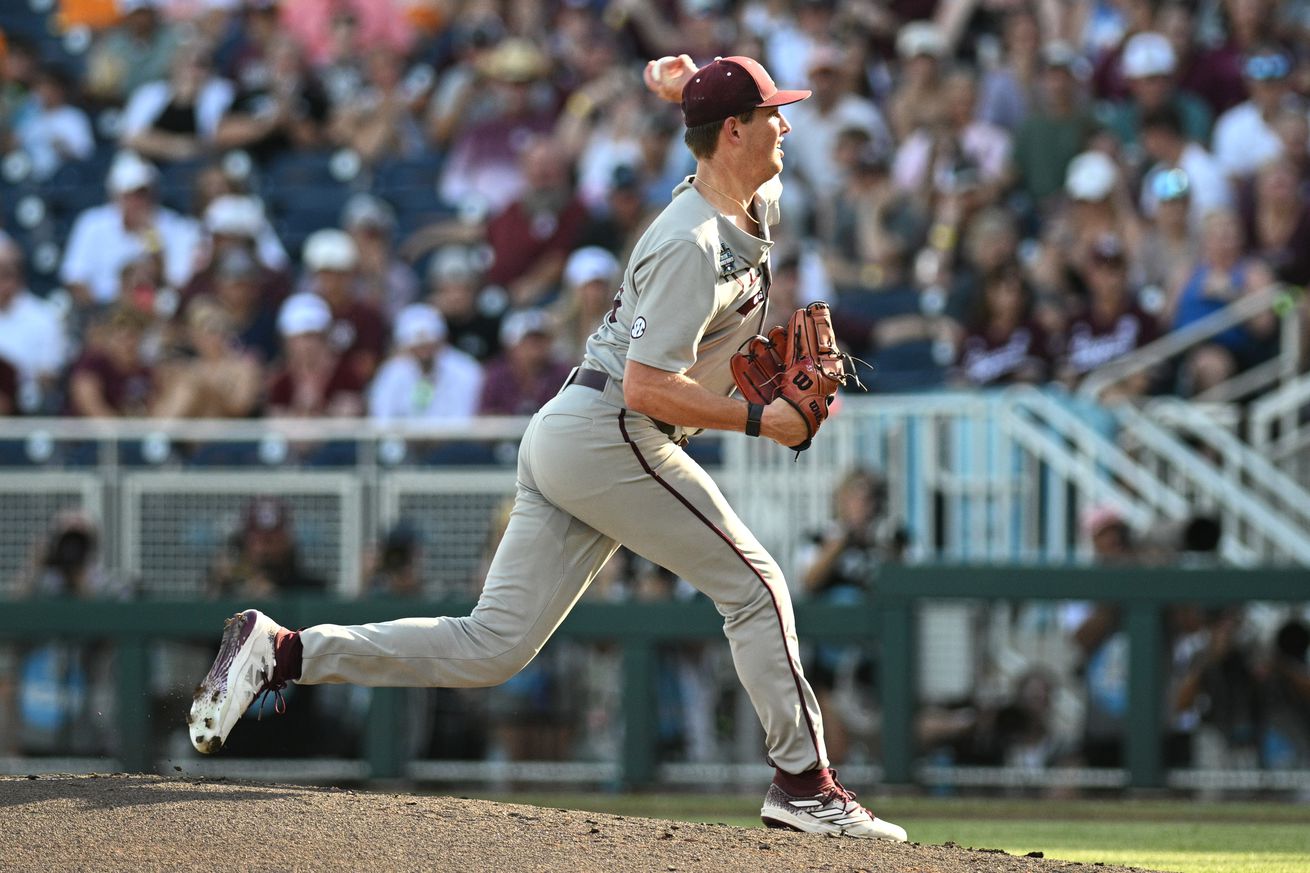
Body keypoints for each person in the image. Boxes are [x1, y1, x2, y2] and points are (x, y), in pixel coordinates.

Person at [187, 53, 907, 843]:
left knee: (489, 647)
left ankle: (284, 651)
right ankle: (805, 783)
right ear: (735, 131)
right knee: (756, 585)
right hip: (614, 430)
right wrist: (758, 420)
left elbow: (726, 164)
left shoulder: (743, 198)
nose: (788, 122)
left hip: (578, 433)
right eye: (773, 112)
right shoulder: (690, 243)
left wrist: (684, 95)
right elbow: (646, 387)